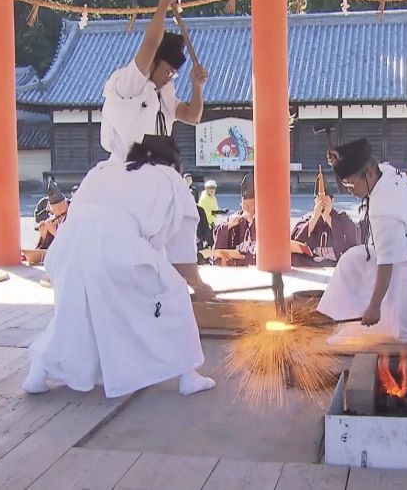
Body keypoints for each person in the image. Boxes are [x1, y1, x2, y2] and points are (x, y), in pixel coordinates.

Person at [23, 135, 217, 398]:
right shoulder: (170, 180)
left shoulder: (102, 170)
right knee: (173, 294)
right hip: (117, 247)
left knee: (75, 312)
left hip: (68, 248)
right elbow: (181, 254)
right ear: (173, 164)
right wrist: (198, 285)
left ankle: (38, 371)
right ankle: (188, 375)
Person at [318, 138, 407, 343]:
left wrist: (374, 305)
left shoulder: (383, 208)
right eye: (345, 183)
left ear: (369, 173)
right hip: (404, 247)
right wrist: (340, 161)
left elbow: (386, 263)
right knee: (351, 261)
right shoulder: (384, 172)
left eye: (351, 182)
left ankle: (399, 321)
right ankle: (342, 319)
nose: (349, 189)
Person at [100, 0, 208, 161]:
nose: (169, 78)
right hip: (124, 169)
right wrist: (163, 4)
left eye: (173, 74)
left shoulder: (164, 95)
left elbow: (193, 116)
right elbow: (150, 43)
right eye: (167, 71)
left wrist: (197, 86)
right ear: (153, 63)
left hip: (157, 168)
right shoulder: (128, 84)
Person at [290, 172, 358, 267]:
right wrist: (314, 219)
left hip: (337, 260)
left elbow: (351, 239)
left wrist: (328, 218)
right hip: (312, 259)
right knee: (295, 259)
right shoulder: (308, 218)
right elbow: (296, 241)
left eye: (326, 200)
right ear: (315, 202)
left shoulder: (341, 216)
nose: (323, 203)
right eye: (319, 201)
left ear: (332, 201)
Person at [213, 174, 256, 266]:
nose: (246, 207)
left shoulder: (263, 219)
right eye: (244, 204)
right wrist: (228, 226)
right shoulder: (236, 217)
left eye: (250, 205)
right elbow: (217, 231)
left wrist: (252, 223)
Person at [36, 180, 69, 250]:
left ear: (66, 205)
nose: (60, 219)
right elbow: (44, 252)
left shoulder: (75, 219)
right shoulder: (52, 223)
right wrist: (44, 236)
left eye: (63, 214)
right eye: (57, 216)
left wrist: (55, 233)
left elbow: (72, 247)